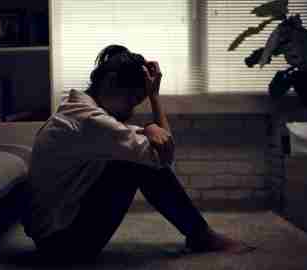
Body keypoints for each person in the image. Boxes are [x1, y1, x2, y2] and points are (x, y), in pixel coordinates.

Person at [21, 44, 254, 263]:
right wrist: (154, 101)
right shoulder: (90, 121)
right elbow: (163, 155)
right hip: (63, 247)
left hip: (51, 238)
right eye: (132, 101)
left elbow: (154, 143)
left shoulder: (78, 110)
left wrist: (150, 127)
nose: (131, 110)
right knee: (136, 164)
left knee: (133, 158)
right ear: (111, 82)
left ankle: (200, 234)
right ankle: (201, 236)